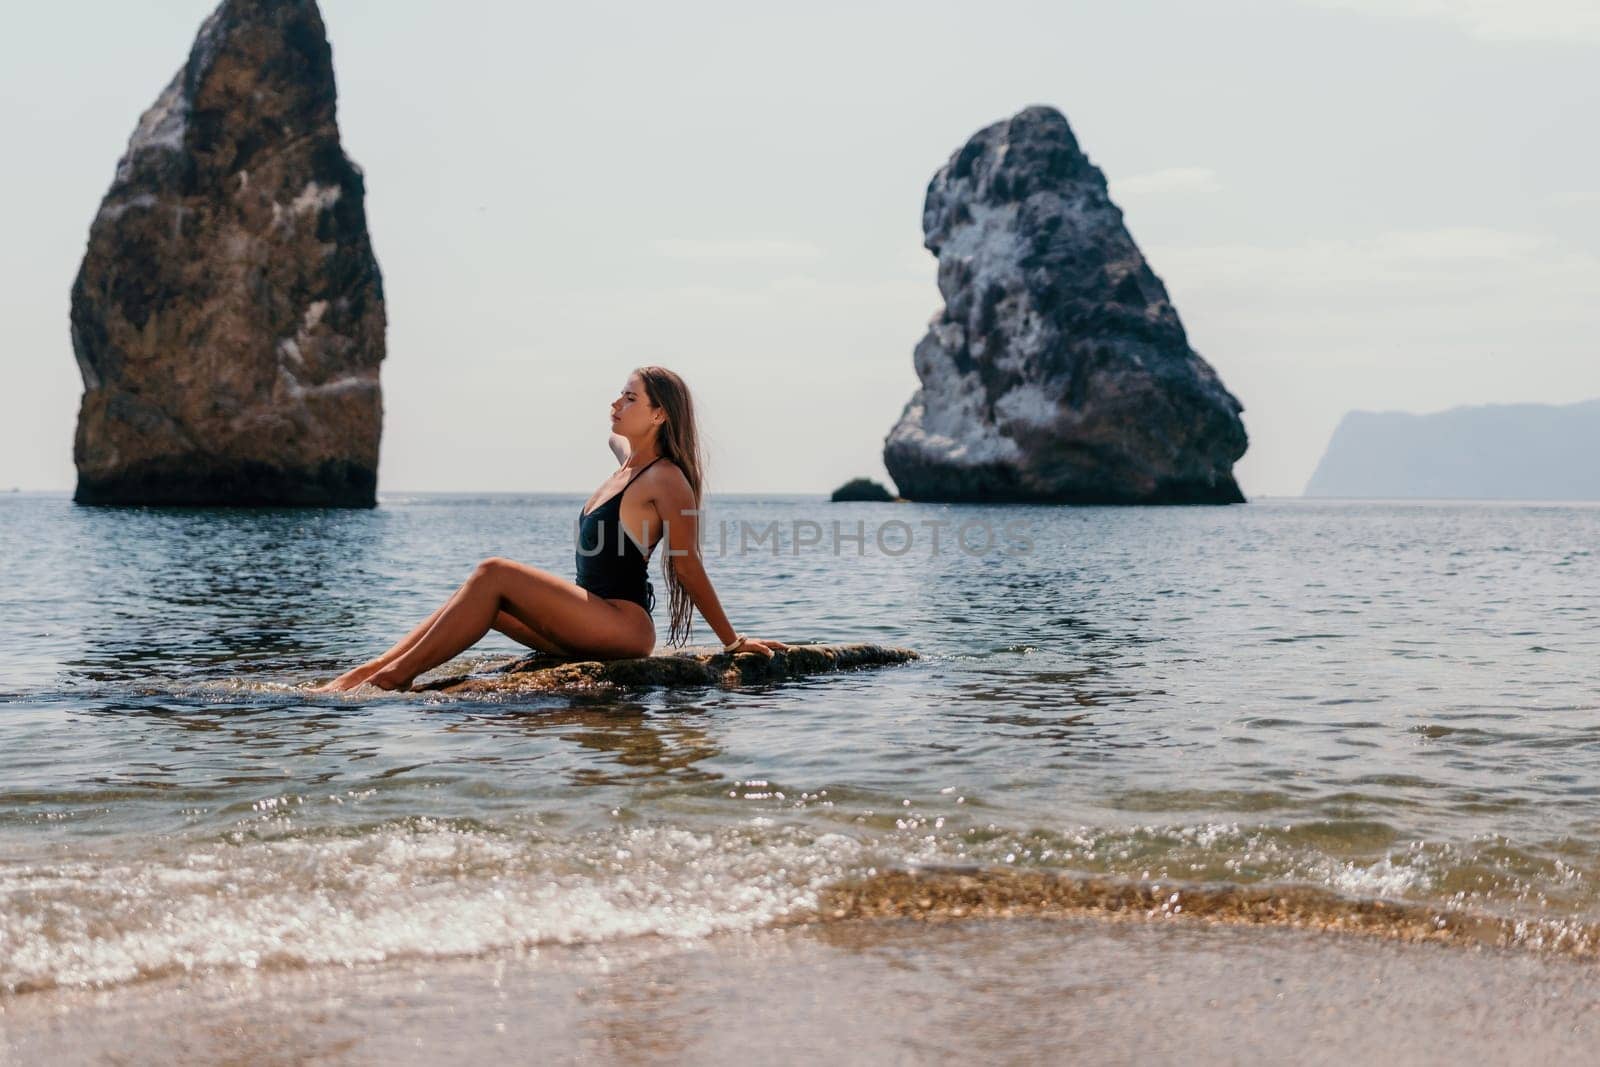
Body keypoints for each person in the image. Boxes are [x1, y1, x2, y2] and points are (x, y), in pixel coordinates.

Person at [312, 366, 788, 692]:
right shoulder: (628, 465)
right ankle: (368, 671)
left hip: (622, 625)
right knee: (483, 607)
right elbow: (616, 440)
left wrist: (732, 642)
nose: (616, 402)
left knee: (493, 572)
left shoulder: (666, 479)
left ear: (660, 414)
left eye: (630, 397)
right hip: (591, 619)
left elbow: (687, 567)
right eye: (619, 394)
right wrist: (626, 431)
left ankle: (390, 681)